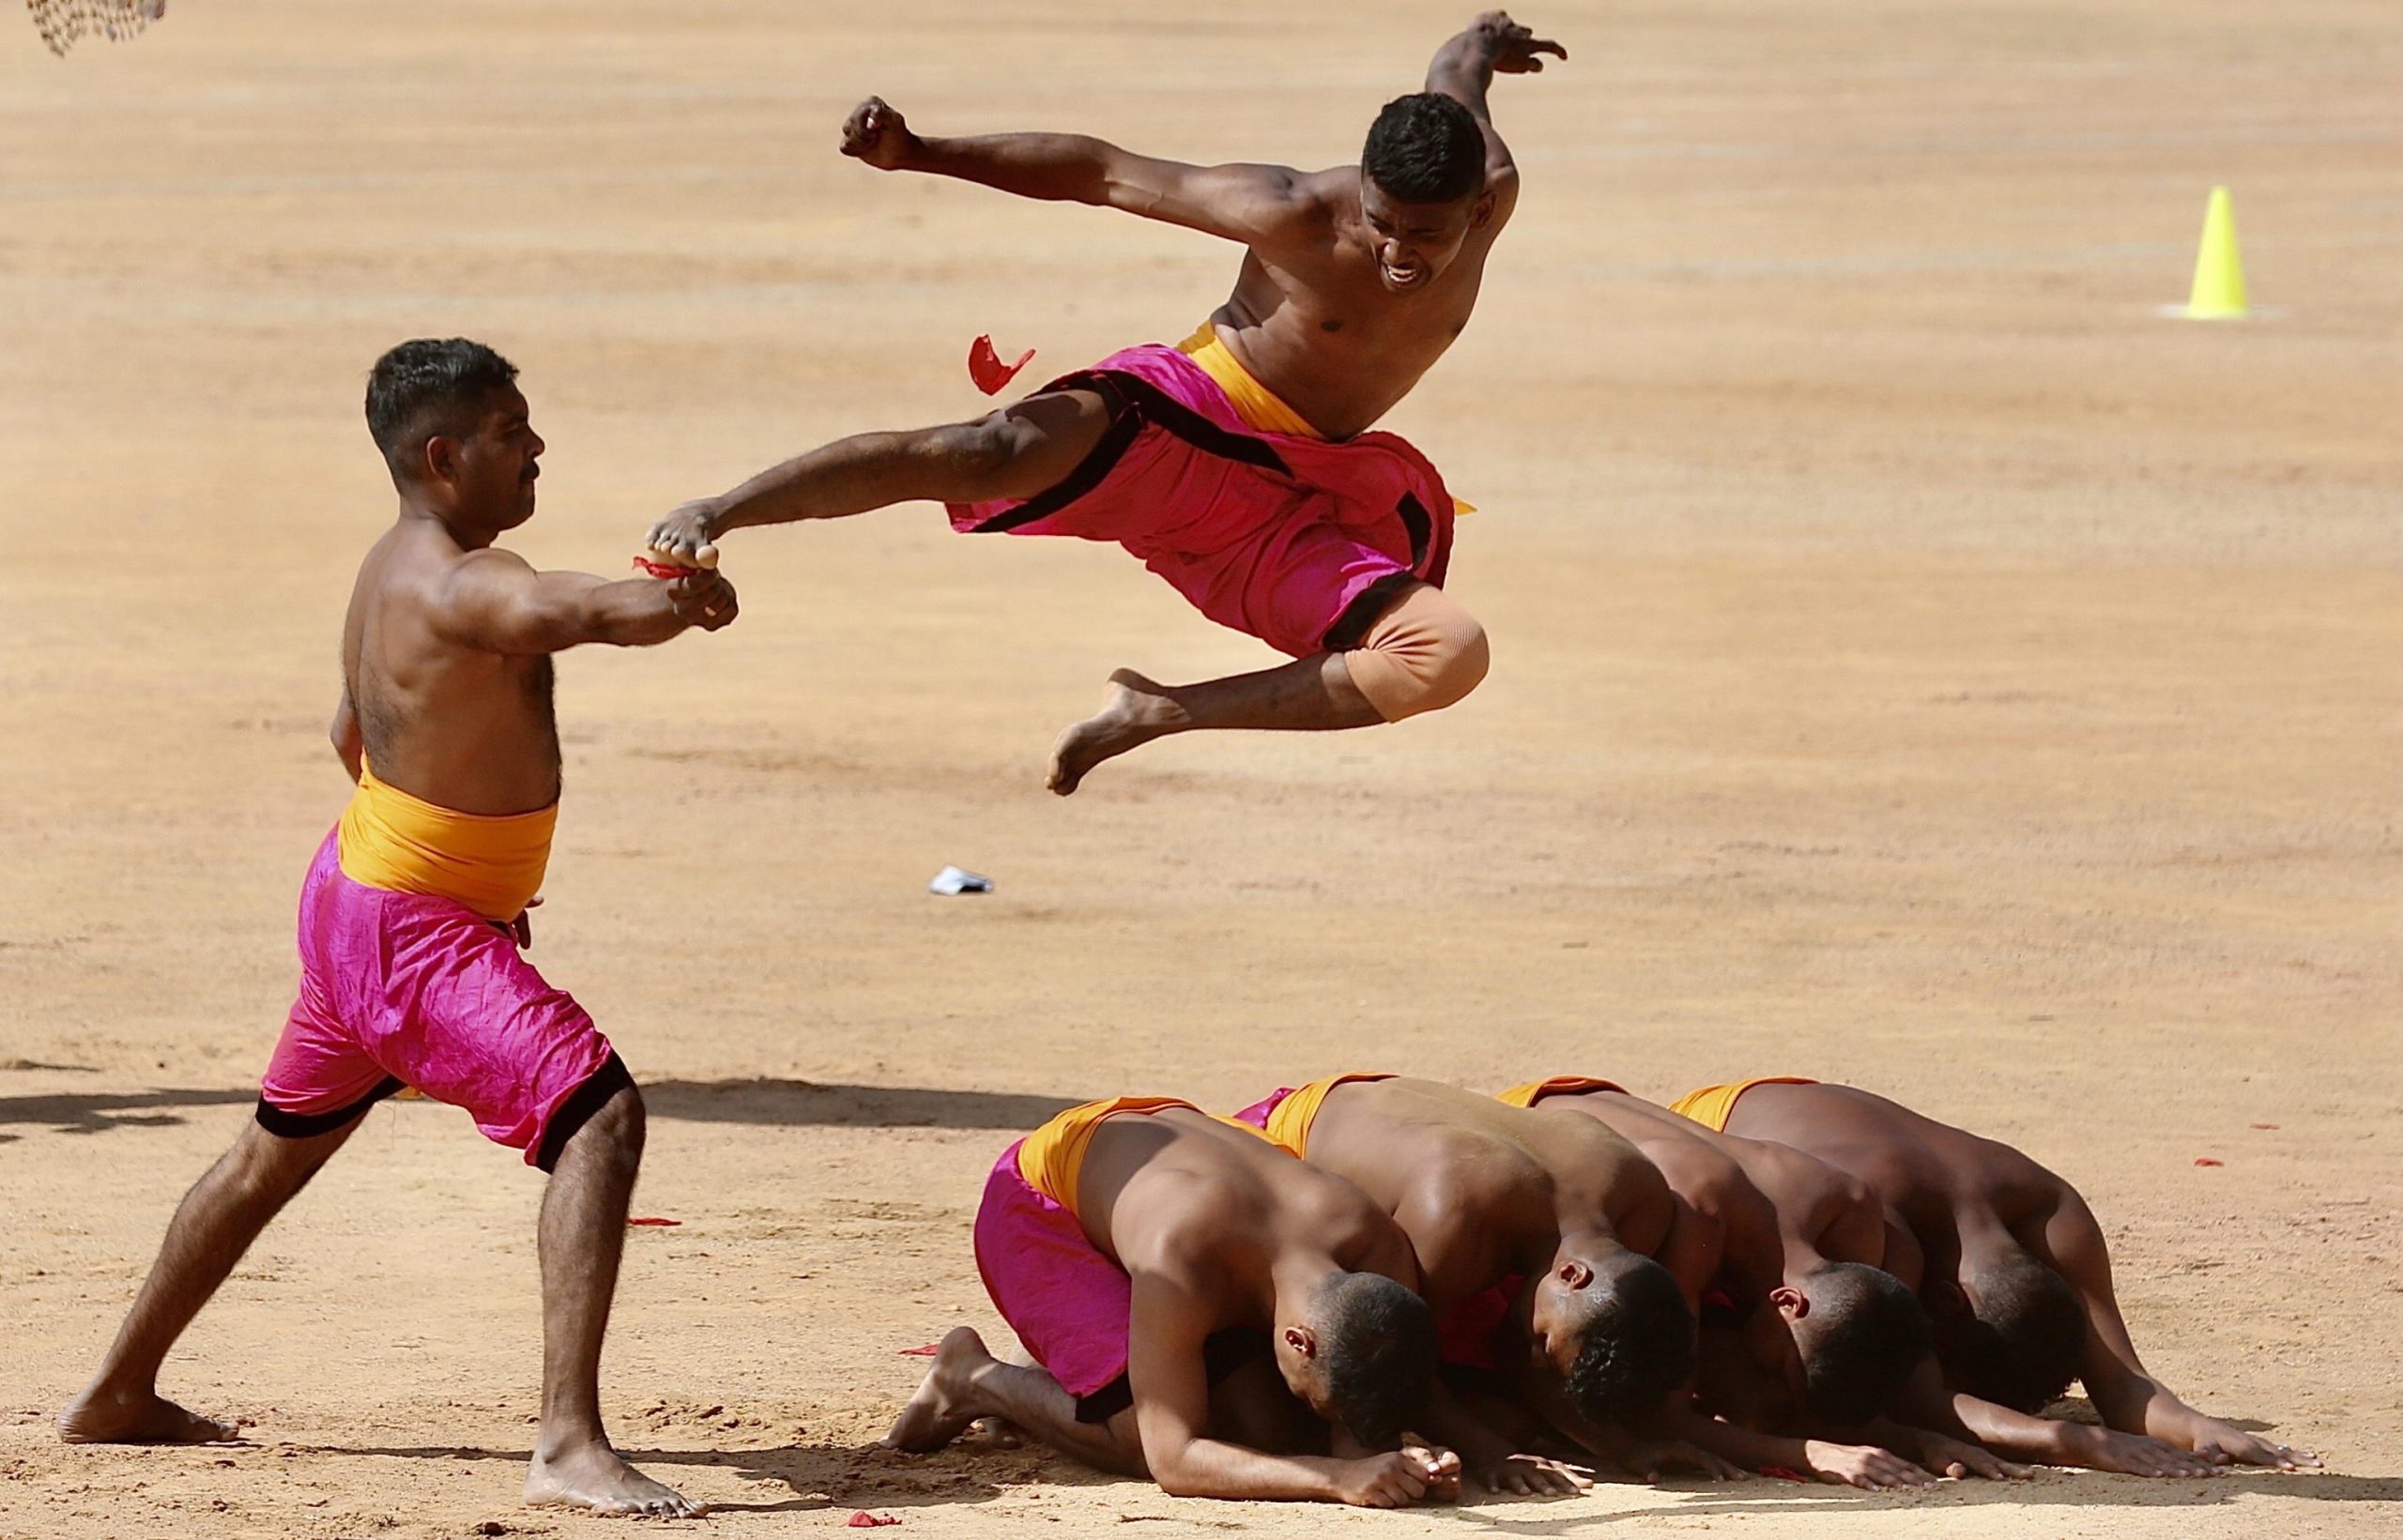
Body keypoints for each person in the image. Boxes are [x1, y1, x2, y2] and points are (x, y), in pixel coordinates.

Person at [58, 340, 739, 1518]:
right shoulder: (466, 581)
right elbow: (578, 610)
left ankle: (117, 1393)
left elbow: (348, 733)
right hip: (408, 928)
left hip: (361, 893)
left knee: (272, 1152)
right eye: (510, 429)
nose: (535, 447)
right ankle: (567, 1443)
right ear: (443, 455)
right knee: (599, 1116)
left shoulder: (388, 570)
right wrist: (671, 599)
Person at [644, 13, 1568, 793]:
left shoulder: (1493, 180)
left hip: (1289, 498)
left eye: (1427, 235)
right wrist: (920, 153)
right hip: (1187, 408)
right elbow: (1101, 171)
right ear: (1360, 191)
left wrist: (1482, 43)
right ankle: (720, 507)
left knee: (1445, 654)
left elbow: (1455, 74)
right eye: (1381, 222)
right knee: (987, 453)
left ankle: (1158, 711)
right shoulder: (1290, 212)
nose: (1397, 254)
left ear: (1479, 212)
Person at [1686, 1077, 2321, 1475]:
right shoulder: (1873, 1223)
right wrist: (2071, 1439)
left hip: (1787, 1093)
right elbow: (1918, 1399)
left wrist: (2197, 1426)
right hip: (1705, 1125)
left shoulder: (2055, 1209)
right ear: (1944, 1305)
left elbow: (2125, 1385)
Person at [885, 1096, 1461, 1507]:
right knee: (1141, 1437)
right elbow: (1175, 1459)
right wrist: (1335, 1477)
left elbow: (1367, 1409)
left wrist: (1406, 1464)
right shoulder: (1180, 1258)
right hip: (1041, 1203)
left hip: (1179, 1165)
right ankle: (975, 1377)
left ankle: (1074, 1369)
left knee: (1267, 1432)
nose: (1320, 1417)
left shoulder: (1376, 1244)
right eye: (1316, 1401)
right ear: (1296, 1340)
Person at [1502, 1076, 2018, 1489]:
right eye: (1778, 1366)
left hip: (1618, 1117)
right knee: (1527, 1404)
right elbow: (1659, 1407)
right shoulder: (1695, 1219)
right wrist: (1809, 1452)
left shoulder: (1855, 1213)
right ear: (1787, 1301)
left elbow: (1839, 1378)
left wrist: (1914, 1439)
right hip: (1528, 1123)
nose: (1772, 1379)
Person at [1234, 1075, 1693, 1485]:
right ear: (1571, 1275)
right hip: (1290, 1129)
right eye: (1543, 1342)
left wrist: (1625, 1446)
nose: (1534, 1359)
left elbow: (1553, 1351)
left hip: (1428, 1128)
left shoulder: (1642, 1199)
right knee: (1277, 1421)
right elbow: (1388, 1357)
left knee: (1508, 1412)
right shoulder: (1450, 1229)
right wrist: (1493, 1452)